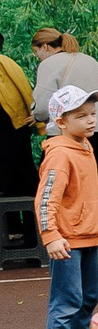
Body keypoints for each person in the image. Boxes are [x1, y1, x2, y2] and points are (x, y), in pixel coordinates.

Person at [38, 86, 98, 329]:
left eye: (92, 113)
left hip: (88, 236)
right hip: (67, 240)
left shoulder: (84, 146)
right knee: (67, 300)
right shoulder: (60, 154)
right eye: (81, 116)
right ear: (61, 122)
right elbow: (46, 198)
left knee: (89, 297)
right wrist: (51, 235)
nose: (91, 120)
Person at [33, 28, 98, 187]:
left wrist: (36, 116)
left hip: (72, 134)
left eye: (36, 53)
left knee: (64, 187)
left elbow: (42, 108)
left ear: (45, 47)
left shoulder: (48, 64)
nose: (38, 58)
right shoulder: (90, 61)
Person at [0, 35, 34, 243]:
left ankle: (29, 232)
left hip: (13, 128)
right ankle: (15, 230)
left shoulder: (5, 62)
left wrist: (37, 120)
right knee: (13, 181)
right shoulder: (7, 62)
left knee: (18, 180)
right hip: (14, 129)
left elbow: (25, 90)